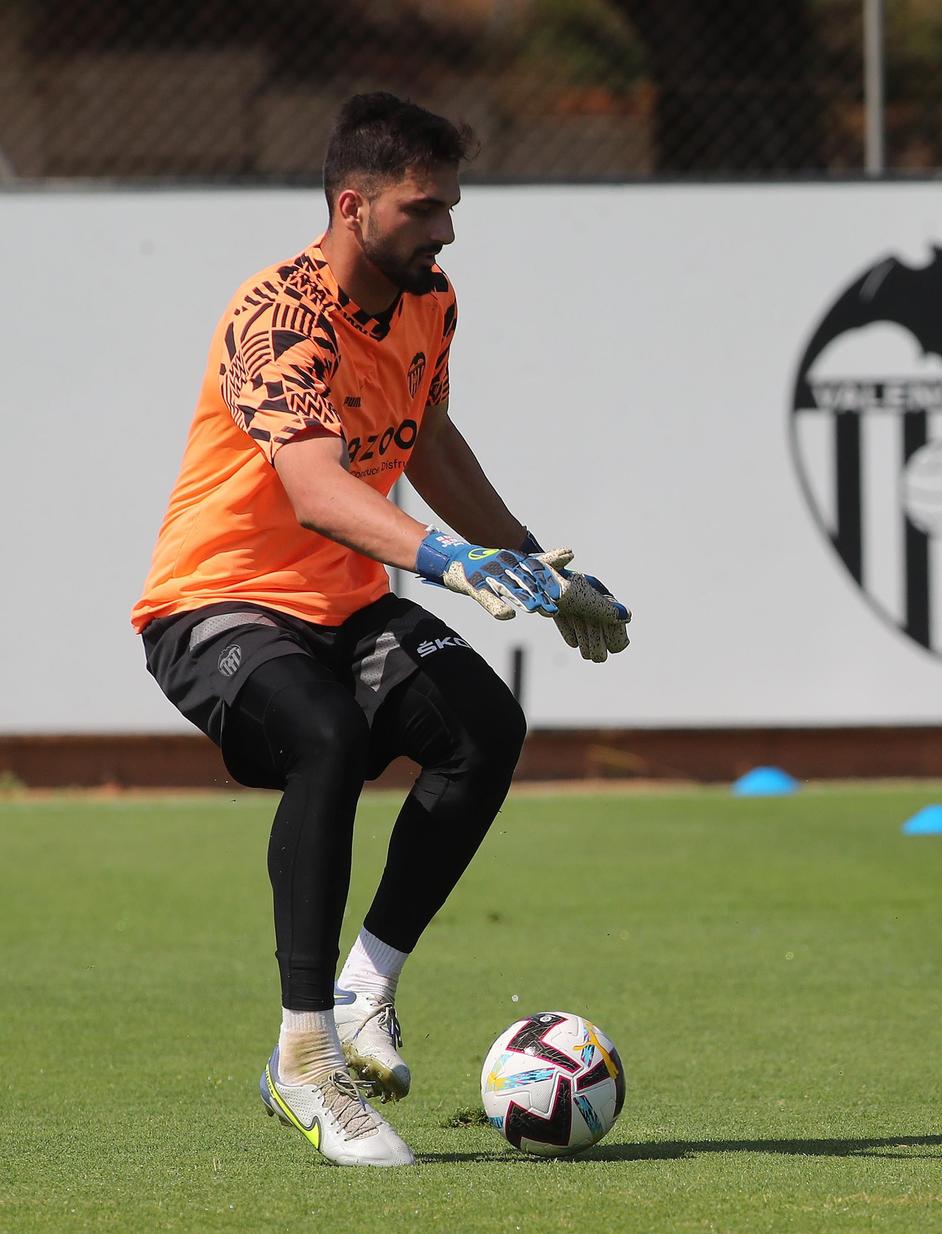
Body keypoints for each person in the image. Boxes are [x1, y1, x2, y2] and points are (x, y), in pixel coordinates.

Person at [132, 93, 632, 1167]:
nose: (445, 228)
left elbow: (430, 442)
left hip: (345, 602)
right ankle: (303, 1060)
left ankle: (367, 983)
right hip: (217, 600)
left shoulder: (430, 299)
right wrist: (449, 562)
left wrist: (541, 569)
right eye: (424, 206)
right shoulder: (276, 316)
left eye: (452, 204)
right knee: (321, 733)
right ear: (353, 206)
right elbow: (314, 488)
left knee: (485, 726)